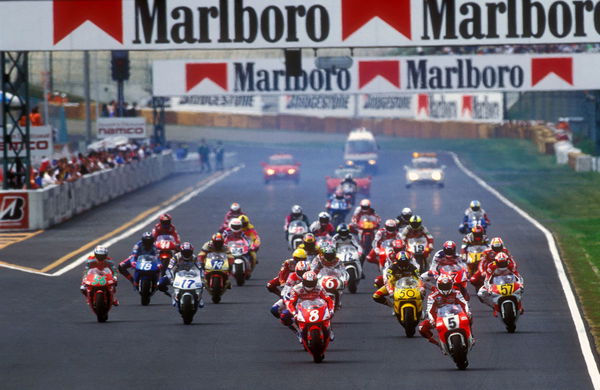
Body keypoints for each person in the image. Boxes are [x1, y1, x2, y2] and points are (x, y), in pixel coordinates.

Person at [418, 275, 472, 347]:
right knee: (422, 328)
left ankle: (471, 335)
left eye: (447, 286)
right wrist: (432, 320)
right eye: (443, 286)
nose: (445, 288)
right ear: (438, 285)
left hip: (456, 314)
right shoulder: (432, 296)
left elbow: (464, 303)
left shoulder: (457, 293)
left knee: (470, 316)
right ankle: (438, 342)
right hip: (439, 317)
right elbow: (430, 310)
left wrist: (467, 312)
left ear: (451, 285)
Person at [281, 271, 335, 341]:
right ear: (303, 281)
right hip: (301, 308)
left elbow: (328, 300)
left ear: (316, 282)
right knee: (284, 316)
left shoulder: (319, 287)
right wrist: (294, 313)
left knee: (328, 313)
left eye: (312, 283)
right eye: (308, 282)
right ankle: (298, 331)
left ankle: (329, 329)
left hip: (317, 306)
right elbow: (290, 303)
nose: (310, 285)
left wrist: (331, 310)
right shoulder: (296, 288)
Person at [158, 242, 204, 308]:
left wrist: (202, 278)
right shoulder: (176, 257)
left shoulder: (194, 258)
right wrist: (171, 279)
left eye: (189, 252)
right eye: (185, 252)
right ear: (181, 252)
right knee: (160, 283)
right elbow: (168, 269)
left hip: (190, 275)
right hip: (176, 275)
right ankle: (172, 294)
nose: (187, 254)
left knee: (202, 284)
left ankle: (199, 297)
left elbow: (200, 269)